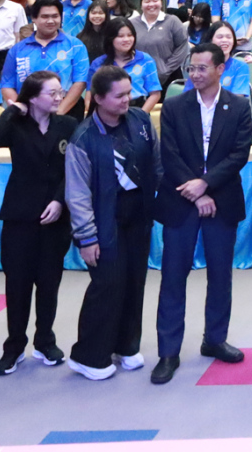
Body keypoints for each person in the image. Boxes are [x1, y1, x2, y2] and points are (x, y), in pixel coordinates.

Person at [153, 42, 252, 383]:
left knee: (221, 276)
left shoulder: (238, 106)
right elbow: (169, 154)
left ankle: (215, 339)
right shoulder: (174, 105)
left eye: (201, 68)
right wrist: (196, 193)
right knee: (173, 277)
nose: (194, 74)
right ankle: (168, 352)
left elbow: (239, 154)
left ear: (220, 69)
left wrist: (206, 185)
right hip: (181, 201)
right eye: (191, 68)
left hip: (222, 201)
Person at [66, 65, 160, 381]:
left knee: (134, 281)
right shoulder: (83, 137)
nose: (127, 100)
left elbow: (156, 163)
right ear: (98, 98)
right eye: (119, 96)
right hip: (103, 217)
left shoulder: (141, 120)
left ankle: (126, 346)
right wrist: (87, 238)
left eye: (129, 93)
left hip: (138, 213)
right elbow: (77, 194)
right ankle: (87, 356)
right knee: (108, 284)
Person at [0, 69, 77, 374]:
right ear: (33, 97)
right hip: (21, 215)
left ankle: (45, 340)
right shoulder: (16, 124)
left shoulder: (68, 125)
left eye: (60, 91)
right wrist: (13, 110)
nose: (59, 97)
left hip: (55, 215)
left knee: (49, 283)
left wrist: (60, 200)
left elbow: (75, 168)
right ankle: (14, 346)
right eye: (52, 93)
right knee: (18, 284)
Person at [1, 0, 87, 114]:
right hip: (26, 113)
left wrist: (59, 112)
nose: (50, 21)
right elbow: (7, 84)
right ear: (34, 18)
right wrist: (23, 112)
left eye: (55, 16)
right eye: (45, 17)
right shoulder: (17, 49)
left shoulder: (75, 45)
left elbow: (80, 82)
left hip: (66, 112)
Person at [89, 18, 162, 110]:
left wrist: (141, 114)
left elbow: (155, 93)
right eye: (120, 36)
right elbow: (91, 93)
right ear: (110, 38)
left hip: (137, 108)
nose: (126, 39)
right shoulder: (98, 63)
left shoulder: (145, 59)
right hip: (108, 110)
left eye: (130, 35)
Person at [132, 0, 191, 89]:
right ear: (141, 4)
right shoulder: (132, 24)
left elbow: (182, 46)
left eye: (155, 0)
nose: (151, 4)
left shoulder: (172, 21)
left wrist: (165, 70)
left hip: (169, 77)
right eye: (147, 1)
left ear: (161, 2)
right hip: (138, 77)